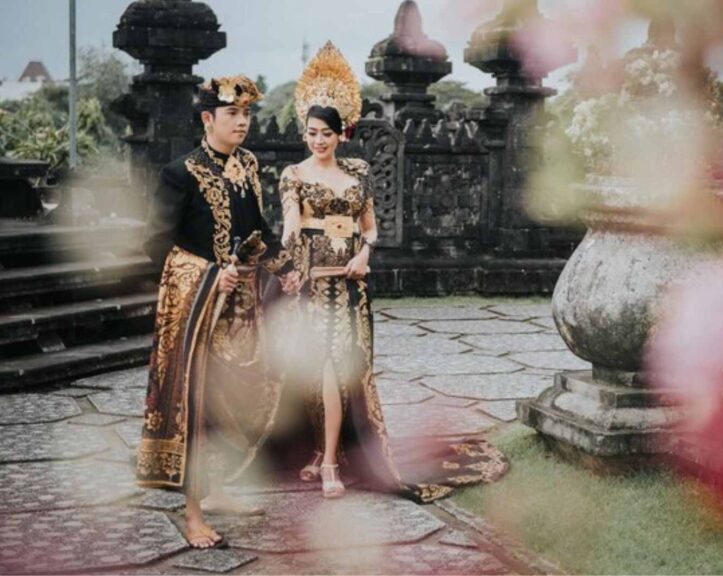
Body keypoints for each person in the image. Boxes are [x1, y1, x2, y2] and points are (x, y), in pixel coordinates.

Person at [278, 42, 507, 502]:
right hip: (312, 283)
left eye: (325, 133)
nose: (318, 140)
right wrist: (286, 241)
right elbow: (289, 221)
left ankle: (330, 461)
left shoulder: (357, 173)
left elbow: (371, 226)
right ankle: (321, 451)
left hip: (351, 286)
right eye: (311, 132)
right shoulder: (293, 175)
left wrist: (366, 254)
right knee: (310, 372)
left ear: (341, 134)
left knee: (339, 373)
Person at [137, 75, 303, 549]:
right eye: (233, 114)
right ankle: (192, 515)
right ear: (208, 118)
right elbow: (155, 246)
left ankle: (220, 490)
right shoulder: (181, 173)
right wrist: (211, 276)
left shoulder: (247, 165)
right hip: (198, 313)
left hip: (242, 313)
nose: (243, 123)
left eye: (248, 114)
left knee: (236, 403)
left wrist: (285, 267)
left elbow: (257, 229)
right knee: (199, 409)